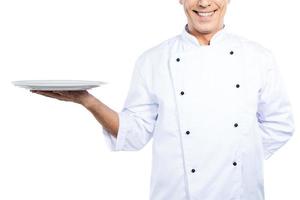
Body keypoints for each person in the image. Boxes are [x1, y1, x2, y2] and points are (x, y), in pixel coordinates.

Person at [31, 0, 295, 199]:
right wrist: (88, 101)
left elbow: (280, 125)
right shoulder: (153, 60)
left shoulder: (259, 58)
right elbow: (133, 134)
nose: (204, 3)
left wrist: (237, 153)